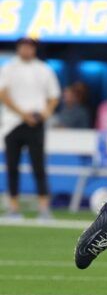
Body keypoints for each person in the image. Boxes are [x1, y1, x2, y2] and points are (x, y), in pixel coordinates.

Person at [0, 37, 59, 219]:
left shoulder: (44, 69)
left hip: (36, 122)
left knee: (38, 165)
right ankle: (13, 207)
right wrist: (22, 114)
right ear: (19, 48)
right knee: (12, 166)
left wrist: (45, 113)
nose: (27, 50)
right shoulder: (8, 68)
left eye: (30, 47)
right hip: (12, 123)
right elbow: (3, 93)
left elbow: (54, 95)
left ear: (34, 49)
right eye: (24, 46)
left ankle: (43, 207)